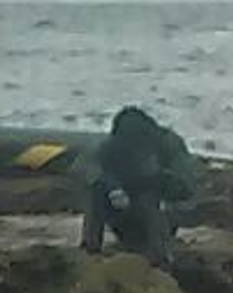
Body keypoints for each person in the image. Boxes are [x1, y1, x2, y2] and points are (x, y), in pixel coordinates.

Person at [80, 105, 194, 267]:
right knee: (96, 191)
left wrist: (158, 179)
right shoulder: (114, 144)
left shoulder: (168, 144)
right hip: (122, 210)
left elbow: (186, 189)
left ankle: (160, 258)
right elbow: (87, 167)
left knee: (150, 196)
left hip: (161, 217)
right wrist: (113, 186)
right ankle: (89, 248)